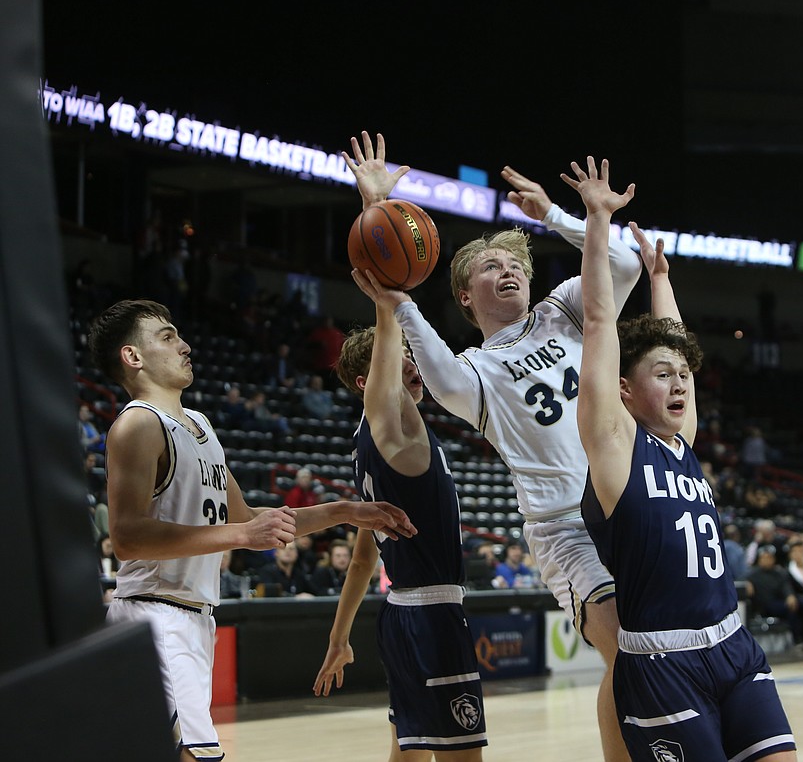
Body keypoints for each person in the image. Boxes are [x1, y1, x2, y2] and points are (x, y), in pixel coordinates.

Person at [344, 131, 641, 761]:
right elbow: (439, 374)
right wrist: (392, 275)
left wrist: (566, 216)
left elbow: (625, 264)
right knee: (625, 647)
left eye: (514, 265)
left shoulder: (564, 308)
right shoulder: (475, 369)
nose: (506, 270)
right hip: (566, 524)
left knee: (656, 648)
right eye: (490, 266)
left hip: (630, 501)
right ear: (463, 294)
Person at [89, 298, 416, 762]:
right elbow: (128, 537)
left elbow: (248, 520)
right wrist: (241, 536)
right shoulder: (138, 425)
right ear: (133, 357)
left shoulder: (199, 426)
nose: (183, 345)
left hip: (193, 619)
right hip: (153, 616)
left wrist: (345, 510)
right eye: (166, 337)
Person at [568, 157, 796, 760]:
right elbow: (597, 321)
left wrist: (659, 276)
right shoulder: (616, 445)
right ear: (623, 389)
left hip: (734, 645)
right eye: (662, 375)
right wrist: (596, 221)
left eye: (684, 376)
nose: (680, 384)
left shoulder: (681, 442)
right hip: (663, 662)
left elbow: (677, 347)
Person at [315, 270, 488, 758]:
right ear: (368, 383)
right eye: (398, 358)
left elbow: (362, 561)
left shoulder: (369, 450)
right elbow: (386, 347)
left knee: (407, 752)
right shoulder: (392, 430)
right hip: (431, 615)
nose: (411, 363)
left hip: (400, 617)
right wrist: (385, 290)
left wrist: (338, 638)